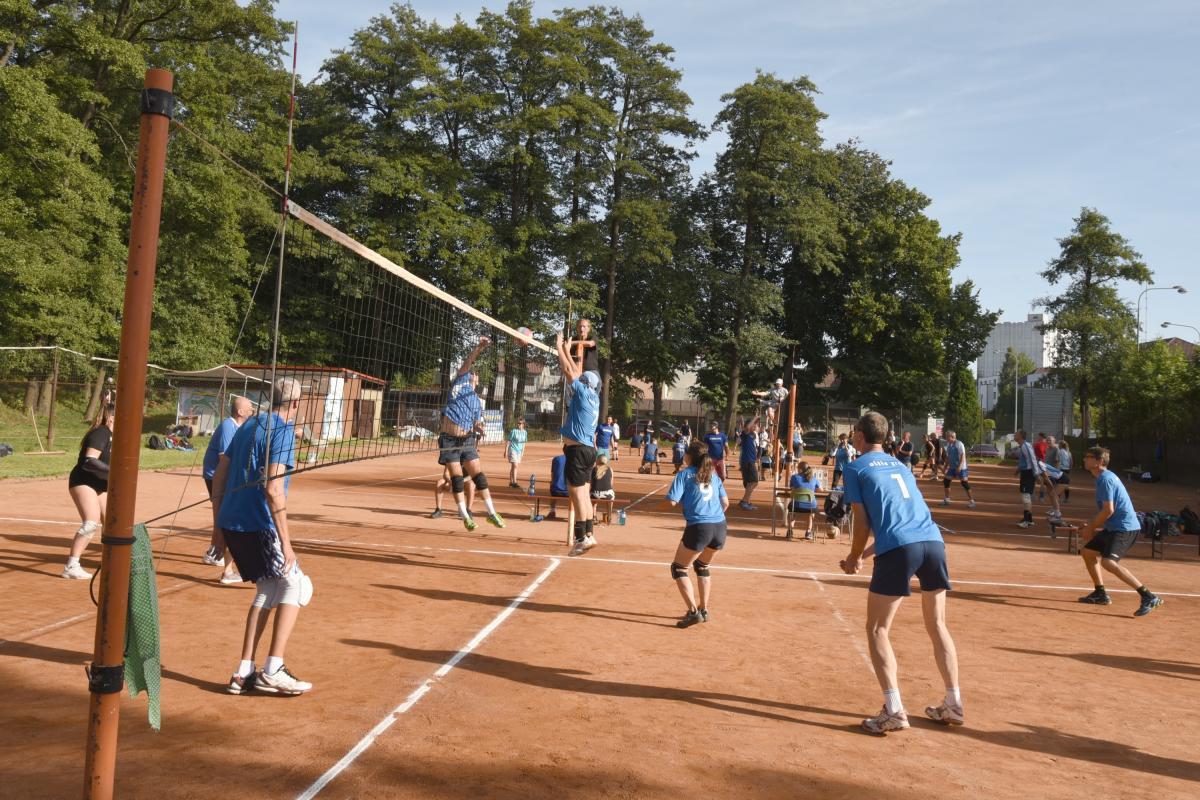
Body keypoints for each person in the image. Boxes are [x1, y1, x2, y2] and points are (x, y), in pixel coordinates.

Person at [839, 411, 962, 734]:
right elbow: (903, 522)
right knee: (937, 624)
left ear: (861, 437)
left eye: (854, 434)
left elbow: (863, 522)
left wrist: (853, 557)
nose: (853, 438)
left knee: (877, 629)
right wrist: (865, 554)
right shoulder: (901, 466)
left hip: (900, 549)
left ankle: (893, 710)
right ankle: (954, 701)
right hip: (932, 543)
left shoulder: (854, 467)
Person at [211, 377, 311, 695]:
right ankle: (273, 668)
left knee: (268, 589)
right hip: (259, 524)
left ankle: (243, 672)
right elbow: (273, 488)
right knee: (296, 583)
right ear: (296, 404)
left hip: (233, 522)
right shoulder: (281, 431)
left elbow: (220, 472)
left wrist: (217, 529)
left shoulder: (249, 424)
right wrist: (287, 544)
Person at [1075, 447, 1163, 616]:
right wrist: (1091, 524)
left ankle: (1148, 596)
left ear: (1099, 461)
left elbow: (1109, 510)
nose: (1085, 459)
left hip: (1125, 528)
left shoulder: (1105, 479)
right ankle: (1100, 593)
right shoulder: (1103, 478)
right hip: (1114, 527)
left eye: (1088, 456)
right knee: (1087, 552)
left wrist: (1091, 528)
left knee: (1108, 563)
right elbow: (1107, 512)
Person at [436, 336, 505, 532]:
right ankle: (465, 516)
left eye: (474, 375)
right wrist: (479, 347)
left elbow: (476, 422)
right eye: (470, 373)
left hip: (467, 440)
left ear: (477, 380)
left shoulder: (476, 401)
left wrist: (479, 428)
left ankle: (491, 513)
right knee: (457, 478)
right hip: (449, 440)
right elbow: (468, 362)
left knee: (479, 476)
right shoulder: (458, 384)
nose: (472, 375)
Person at [665, 440, 729, 628]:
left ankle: (693, 612)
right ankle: (704, 609)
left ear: (689, 456)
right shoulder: (713, 475)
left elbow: (671, 502)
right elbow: (725, 503)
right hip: (720, 527)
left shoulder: (684, 475)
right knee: (702, 566)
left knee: (679, 568)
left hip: (700, 527)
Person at [556, 332, 601, 557]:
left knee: (576, 494)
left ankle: (581, 538)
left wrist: (558, 347)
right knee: (583, 493)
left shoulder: (582, 393)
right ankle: (589, 534)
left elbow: (568, 370)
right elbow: (574, 371)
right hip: (588, 451)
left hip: (577, 450)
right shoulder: (594, 397)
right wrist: (566, 348)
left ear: (585, 384)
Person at [202, 395, 255, 583]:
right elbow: (224, 457)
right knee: (226, 519)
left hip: (227, 478)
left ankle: (215, 553)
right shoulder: (228, 425)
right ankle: (220, 560)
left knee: (226, 519)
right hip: (216, 477)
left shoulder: (241, 428)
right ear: (240, 412)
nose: (252, 411)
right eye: (250, 409)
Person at [62, 398, 116, 579]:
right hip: (84, 480)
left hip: (99, 483)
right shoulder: (101, 432)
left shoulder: (112, 435)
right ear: (111, 418)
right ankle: (71, 565)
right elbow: (89, 460)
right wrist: (114, 471)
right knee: (91, 522)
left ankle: (112, 560)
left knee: (112, 522)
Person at [939, 431, 977, 509]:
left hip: (961, 467)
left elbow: (963, 455)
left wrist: (959, 467)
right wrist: (945, 468)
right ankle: (947, 500)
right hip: (952, 467)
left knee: (964, 483)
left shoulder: (959, 444)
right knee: (946, 481)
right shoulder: (949, 445)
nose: (946, 438)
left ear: (952, 437)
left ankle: (972, 501)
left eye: (947, 436)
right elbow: (948, 457)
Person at [787, 461, 821, 541]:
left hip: (796, 505)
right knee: (810, 512)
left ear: (800, 469)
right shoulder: (813, 479)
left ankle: (790, 530)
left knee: (792, 512)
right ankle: (808, 532)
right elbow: (820, 489)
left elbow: (792, 488)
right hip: (810, 506)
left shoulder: (794, 477)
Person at [737, 417, 760, 511]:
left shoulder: (751, 434)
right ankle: (744, 502)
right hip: (747, 461)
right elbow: (746, 427)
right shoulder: (746, 433)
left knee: (749, 483)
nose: (755, 426)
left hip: (749, 461)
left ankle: (747, 501)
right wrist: (755, 418)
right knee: (754, 482)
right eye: (754, 424)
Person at [506, 418, 528, 488]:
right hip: (513, 449)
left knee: (513, 466)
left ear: (523, 424)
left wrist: (522, 452)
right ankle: (515, 482)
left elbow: (524, 443)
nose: (518, 424)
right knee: (515, 465)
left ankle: (511, 481)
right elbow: (509, 441)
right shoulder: (514, 431)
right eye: (518, 423)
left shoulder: (525, 432)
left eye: (520, 423)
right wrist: (505, 451)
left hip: (519, 451)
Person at [547, 453, 568, 519]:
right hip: (569, 492)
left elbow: (552, 474)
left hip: (555, 490)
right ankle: (574, 513)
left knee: (553, 486)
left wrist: (552, 483)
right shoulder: (575, 459)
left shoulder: (556, 458)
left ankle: (552, 511)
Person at [1056, 438, 1073, 503]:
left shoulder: (1059, 451)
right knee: (1066, 484)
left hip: (1061, 469)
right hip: (1067, 470)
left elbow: (1058, 461)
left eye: (1059, 444)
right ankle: (1066, 498)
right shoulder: (1069, 452)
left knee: (1059, 484)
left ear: (1060, 445)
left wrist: (1056, 470)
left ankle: (1057, 498)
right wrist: (1070, 470)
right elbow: (1071, 462)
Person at [1033, 433, 1049, 500]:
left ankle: (1033, 494)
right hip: (1045, 464)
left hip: (1037, 463)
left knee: (1034, 479)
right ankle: (1041, 496)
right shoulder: (1048, 445)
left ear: (1041, 437)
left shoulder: (1037, 444)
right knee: (1043, 480)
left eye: (1039, 436)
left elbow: (1033, 454)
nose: (1038, 438)